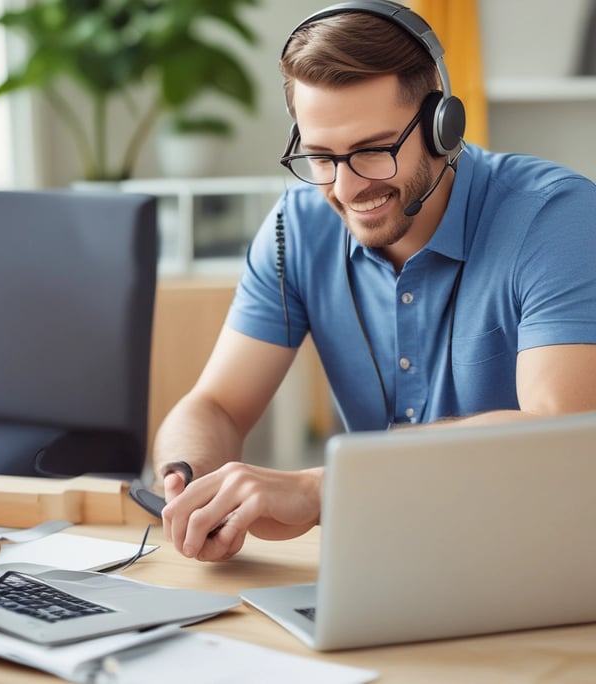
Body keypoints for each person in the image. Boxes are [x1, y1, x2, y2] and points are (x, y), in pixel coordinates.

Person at [153, 1, 596, 562]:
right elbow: (215, 405)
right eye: (320, 156)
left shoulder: (555, 217)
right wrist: (187, 480)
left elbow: (563, 434)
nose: (345, 186)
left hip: (542, 556)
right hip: (386, 556)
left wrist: (320, 488)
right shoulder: (298, 225)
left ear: (442, 125)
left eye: (372, 150)